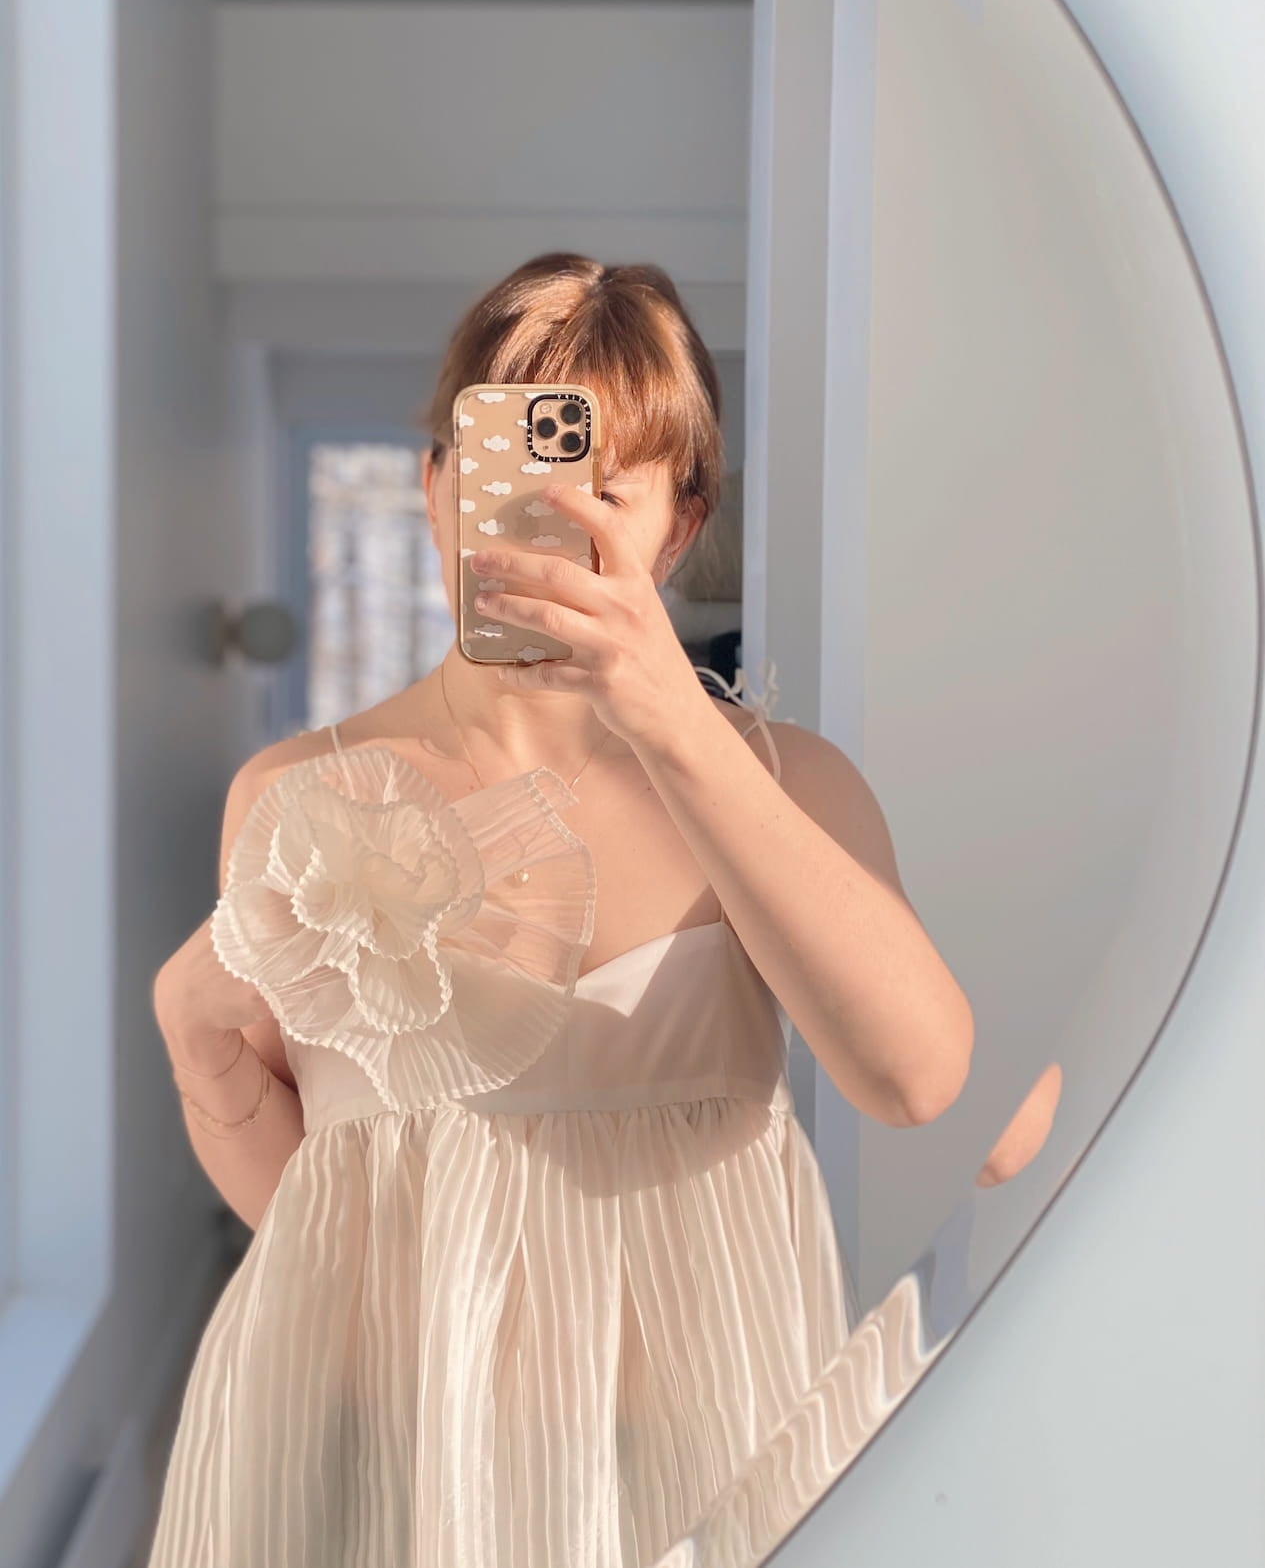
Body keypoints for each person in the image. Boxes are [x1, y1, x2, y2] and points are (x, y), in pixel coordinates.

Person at [148, 253, 974, 1567]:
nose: (551, 521)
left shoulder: (781, 784)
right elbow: (315, 1215)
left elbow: (916, 1073)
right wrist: (203, 1059)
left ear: (681, 519)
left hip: (707, 1482)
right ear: (433, 491)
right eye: (508, 477)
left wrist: (670, 723)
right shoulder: (302, 796)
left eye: (602, 485)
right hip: (393, 1476)